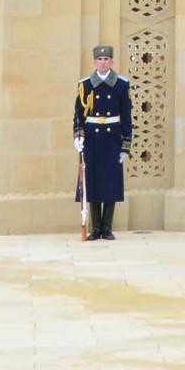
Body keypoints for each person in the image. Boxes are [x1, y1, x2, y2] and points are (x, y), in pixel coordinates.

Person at [73, 44, 132, 241]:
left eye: (106, 59)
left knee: (110, 182)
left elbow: (126, 116)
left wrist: (126, 145)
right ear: (94, 62)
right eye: (100, 59)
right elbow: (79, 115)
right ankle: (95, 228)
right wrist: (78, 135)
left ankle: (107, 227)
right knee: (93, 182)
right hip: (93, 138)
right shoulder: (85, 85)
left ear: (112, 62)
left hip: (112, 137)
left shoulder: (122, 84)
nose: (103, 62)